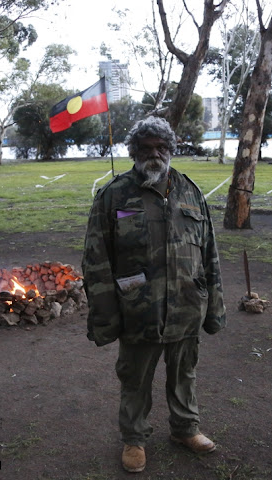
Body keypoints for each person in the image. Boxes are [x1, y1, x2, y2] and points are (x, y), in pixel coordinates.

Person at [81, 116, 226, 473]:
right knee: (134, 379)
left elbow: (209, 253)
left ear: (171, 150)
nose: (154, 154)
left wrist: (215, 309)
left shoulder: (190, 191)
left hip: (187, 307)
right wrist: (106, 316)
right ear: (133, 152)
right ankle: (134, 440)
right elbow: (96, 260)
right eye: (146, 148)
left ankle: (185, 429)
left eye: (161, 147)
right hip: (138, 312)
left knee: (184, 375)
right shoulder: (114, 195)